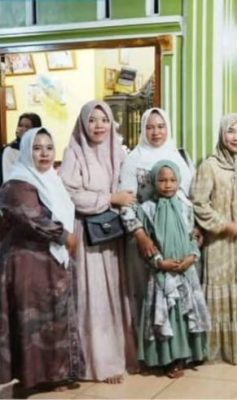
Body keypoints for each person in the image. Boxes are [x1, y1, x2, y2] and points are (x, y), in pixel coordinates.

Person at [0, 128, 84, 393]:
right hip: (27, 262)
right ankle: (30, 379)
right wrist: (65, 235)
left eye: (49, 147)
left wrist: (65, 239)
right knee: (31, 319)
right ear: (26, 151)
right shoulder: (17, 182)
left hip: (52, 261)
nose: (44, 153)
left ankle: (54, 375)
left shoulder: (51, 180)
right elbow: (31, 216)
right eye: (37, 148)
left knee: (53, 317)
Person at [60, 101, 138, 383]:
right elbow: (69, 193)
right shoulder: (73, 153)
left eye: (103, 119)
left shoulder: (118, 150)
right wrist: (109, 198)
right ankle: (99, 364)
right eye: (92, 120)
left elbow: (130, 187)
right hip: (88, 235)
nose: (98, 126)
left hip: (114, 234)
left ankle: (120, 355)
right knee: (93, 296)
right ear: (83, 123)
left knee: (116, 293)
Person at [191, 113, 237, 364]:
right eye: (231, 131)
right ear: (222, 134)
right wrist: (224, 225)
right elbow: (199, 203)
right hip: (221, 241)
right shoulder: (209, 166)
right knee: (221, 283)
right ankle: (220, 348)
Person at [118, 108, 196, 329]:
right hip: (146, 235)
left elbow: (190, 198)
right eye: (150, 127)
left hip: (178, 236)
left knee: (179, 294)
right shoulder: (133, 159)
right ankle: (151, 344)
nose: (156, 132)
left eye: (161, 127)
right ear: (143, 129)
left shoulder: (179, 157)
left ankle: (179, 344)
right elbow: (126, 202)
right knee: (149, 294)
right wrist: (141, 236)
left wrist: (194, 232)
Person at [136, 160, 210, 378]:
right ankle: (168, 359)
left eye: (172, 180)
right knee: (166, 314)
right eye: (162, 180)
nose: (167, 185)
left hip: (186, 270)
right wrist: (159, 262)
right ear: (153, 182)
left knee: (186, 313)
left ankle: (189, 354)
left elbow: (192, 235)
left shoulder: (185, 206)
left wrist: (191, 256)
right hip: (163, 272)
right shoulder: (147, 209)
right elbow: (146, 245)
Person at [1, 112, 42, 184]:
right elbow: (9, 179)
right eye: (20, 125)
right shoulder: (10, 150)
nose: (23, 129)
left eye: (27, 127)